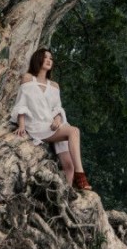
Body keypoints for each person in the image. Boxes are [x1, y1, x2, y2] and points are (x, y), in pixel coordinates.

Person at [10, 48, 92, 190]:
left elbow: (57, 109)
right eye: (45, 57)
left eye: (51, 58)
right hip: (37, 125)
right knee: (74, 131)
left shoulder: (54, 85)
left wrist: (58, 119)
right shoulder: (28, 78)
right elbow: (21, 104)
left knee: (69, 165)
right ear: (38, 60)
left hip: (53, 125)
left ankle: (67, 194)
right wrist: (21, 125)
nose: (49, 60)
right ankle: (81, 176)